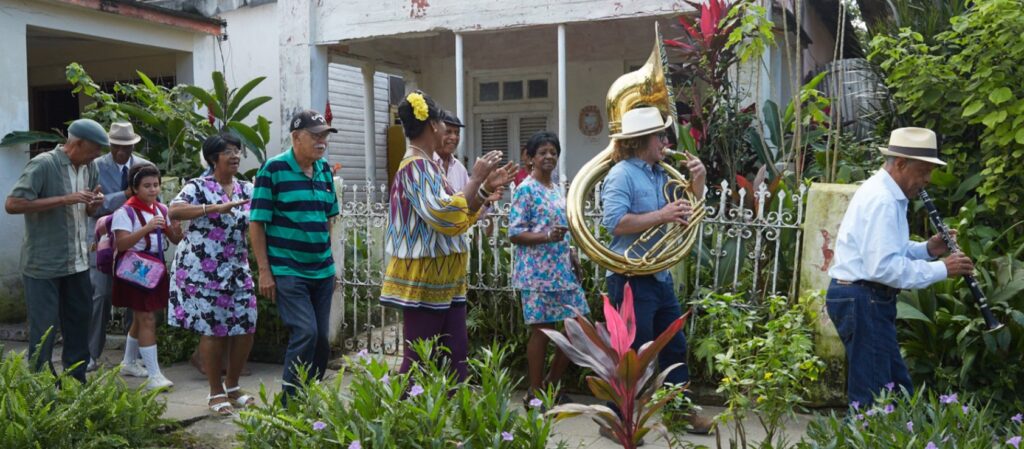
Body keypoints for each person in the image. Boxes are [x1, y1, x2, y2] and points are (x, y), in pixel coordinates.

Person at [827, 127, 974, 407]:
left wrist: (928, 250)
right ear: (902, 164)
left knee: (896, 391)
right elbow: (882, 268)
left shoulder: (887, 195)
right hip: (863, 297)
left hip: (865, 297)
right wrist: (944, 268)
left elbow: (886, 250)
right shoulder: (883, 200)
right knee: (873, 398)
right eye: (923, 171)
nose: (927, 180)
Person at [379, 91, 514, 381]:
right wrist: (476, 180)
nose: (446, 131)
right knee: (418, 361)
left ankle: (453, 420)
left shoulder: (429, 166)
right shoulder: (414, 167)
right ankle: (403, 421)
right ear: (432, 126)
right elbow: (446, 216)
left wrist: (484, 190)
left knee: (456, 358)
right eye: (443, 123)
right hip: (426, 278)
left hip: (447, 278)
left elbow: (461, 214)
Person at [600, 106, 712, 435]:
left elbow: (686, 209)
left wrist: (699, 182)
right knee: (634, 354)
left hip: (658, 275)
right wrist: (661, 215)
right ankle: (616, 419)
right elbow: (615, 223)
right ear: (641, 140)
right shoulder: (621, 174)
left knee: (674, 346)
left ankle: (681, 412)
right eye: (659, 136)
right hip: (630, 276)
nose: (665, 141)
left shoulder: (659, 172)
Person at [5, 119, 107, 383]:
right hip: (44, 264)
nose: (97, 155)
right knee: (44, 330)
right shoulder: (43, 164)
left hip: (78, 262)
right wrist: (64, 199)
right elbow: (13, 203)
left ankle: (75, 383)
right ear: (77, 143)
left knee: (78, 326)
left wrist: (95, 203)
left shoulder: (90, 167)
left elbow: (88, 210)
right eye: (94, 149)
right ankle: (41, 386)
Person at [250, 109, 339, 398]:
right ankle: (290, 404)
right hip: (289, 269)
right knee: (306, 333)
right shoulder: (273, 170)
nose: (321, 141)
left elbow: (328, 218)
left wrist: (330, 261)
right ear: (296, 137)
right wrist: (265, 270)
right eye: (315, 136)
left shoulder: (324, 170)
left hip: (322, 270)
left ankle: (309, 396)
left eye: (324, 136)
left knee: (322, 341)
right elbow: (257, 222)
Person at [168, 133, 256, 415]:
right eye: (227, 151)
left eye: (237, 150)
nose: (235, 156)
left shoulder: (246, 188)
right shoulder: (198, 186)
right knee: (215, 329)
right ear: (212, 158)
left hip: (237, 267)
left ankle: (233, 386)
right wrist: (213, 208)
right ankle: (215, 391)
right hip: (201, 270)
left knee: (246, 325)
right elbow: (174, 211)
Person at [508, 131, 588, 404]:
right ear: (530, 158)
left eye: (553, 152)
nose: (549, 157)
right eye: (542, 152)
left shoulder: (556, 189)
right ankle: (535, 392)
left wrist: (572, 252)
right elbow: (515, 232)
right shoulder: (525, 189)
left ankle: (551, 384)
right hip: (536, 272)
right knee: (541, 330)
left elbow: (563, 228)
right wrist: (545, 237)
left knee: (578, 325)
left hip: (562, 267)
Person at [111, 163, 183, 390]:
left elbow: (175, 240)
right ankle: (154, 375)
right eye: (147, 186)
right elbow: (122, 243)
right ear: (134, 188)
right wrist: (148, 227)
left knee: (142, 316)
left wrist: (177, 227)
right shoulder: (125, 211)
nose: (153, 190)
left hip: (155, 268)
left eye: (156, 185)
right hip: (135, 269)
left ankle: (129, 362)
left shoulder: (161, 209)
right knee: (147, 318)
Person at [88, 121, 150, 372]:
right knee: (100, 296)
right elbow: (94, 206)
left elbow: (150, 202)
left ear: (133, 145)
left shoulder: (145, 166)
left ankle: (132, 357)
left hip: (135, 242)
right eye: (116, 146)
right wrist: (124, 195)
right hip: (104, 243)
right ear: (109, 144)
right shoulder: (94, 167)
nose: (120, 152)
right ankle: (91, 354)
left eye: (125, 147)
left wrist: (112, 200)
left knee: (134, 299)